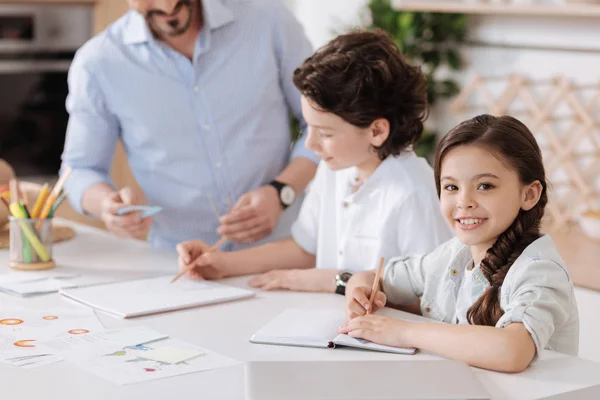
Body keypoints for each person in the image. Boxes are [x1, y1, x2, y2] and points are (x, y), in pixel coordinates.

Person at [176, 29, 453, 294]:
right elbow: (306, 248)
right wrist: (221, 264)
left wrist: (336, 282)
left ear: (377, 131)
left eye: (326, 133)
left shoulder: (414, 192)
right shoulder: (336, 169)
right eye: (308, 128)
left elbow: (429, 298)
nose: (310, 144)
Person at [60, 0, 319, 249]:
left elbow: (326, 123)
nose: (167, 5)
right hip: (178, 261)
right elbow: (80, 169)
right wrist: (107, 205)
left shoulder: (269, 21)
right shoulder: (98, 63)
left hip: (286, 250)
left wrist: (281, 192)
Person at [340, 115, 579, 372]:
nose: (464, 201)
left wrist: (405, 332)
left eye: (485, 186)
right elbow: (373, 277)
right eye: (451, 187)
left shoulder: (540, 270)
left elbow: (512, 351)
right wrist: (359, 292)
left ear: (529, 194)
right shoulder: (452, 254)